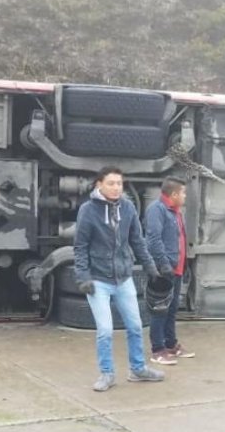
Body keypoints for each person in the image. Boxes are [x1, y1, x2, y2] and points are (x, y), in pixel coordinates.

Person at [73, 166, 165, 391]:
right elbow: (80, 247)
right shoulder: (88, 210)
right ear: (99, 185)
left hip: (124, 278)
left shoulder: (128, 207)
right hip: (98, 280)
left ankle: (138, 369)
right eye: (111, 183)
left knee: (135, 326)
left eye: (119, 184)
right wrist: (83, 277)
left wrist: (151, 267)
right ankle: (107, 374)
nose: (116, 188)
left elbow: (137, 241)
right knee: (105, 330)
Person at [144, 176, 195, 365]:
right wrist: (164, 265)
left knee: (172, 308)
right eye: (183, 193)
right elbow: (153, 240)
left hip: (177, 269)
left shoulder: (175, 212)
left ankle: (171, 344)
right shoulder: (156, 211)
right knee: (160, 309)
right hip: (163, 271)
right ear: (174, 194)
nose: (184, 196)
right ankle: (157, 350)